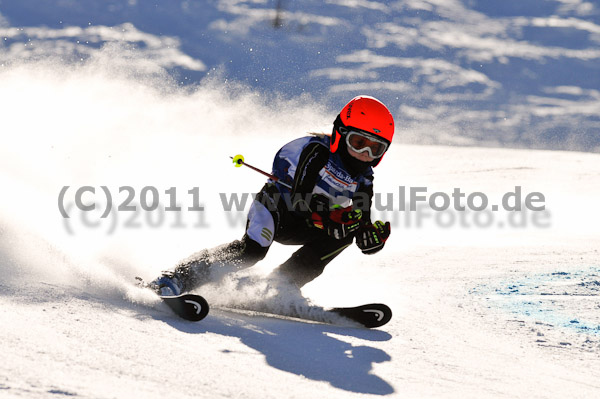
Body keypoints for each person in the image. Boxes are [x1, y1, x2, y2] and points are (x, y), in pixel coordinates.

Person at [150, 95, 394, 296]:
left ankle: (282, 285)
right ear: (340, 133)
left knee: (345, 234)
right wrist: (330, 217)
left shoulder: (365, 179)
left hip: (310, 222)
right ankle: (178, 277)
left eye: (375, 148)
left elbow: (361, 219)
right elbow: (298, 200)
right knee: (252, 251)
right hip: (276, 209)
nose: (364, 153)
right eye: (358, 141)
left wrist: (368, 239)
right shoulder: (316, 151)